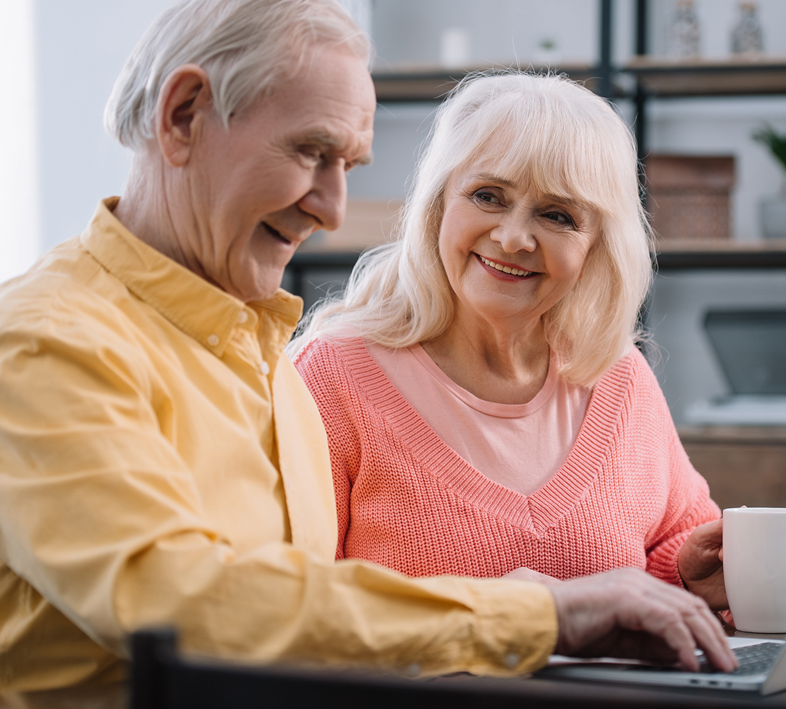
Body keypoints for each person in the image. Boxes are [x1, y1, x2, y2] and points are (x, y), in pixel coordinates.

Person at [0, 0, 734, 708]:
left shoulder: (257, 357)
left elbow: (316, 606)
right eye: (310, 153)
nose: (333, 209)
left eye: (350, 167)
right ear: (184, 116)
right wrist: (541, 611)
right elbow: (178, 606)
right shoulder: (40, 347)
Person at [291, 73, 730, 610]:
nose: (513, 237)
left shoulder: (621, 379)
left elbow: (670, 546)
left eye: (557, 215)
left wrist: (687, 573)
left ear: (597, 246)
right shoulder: (332, 375)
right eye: (488, 196)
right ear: (438, 206)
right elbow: (295, 610)